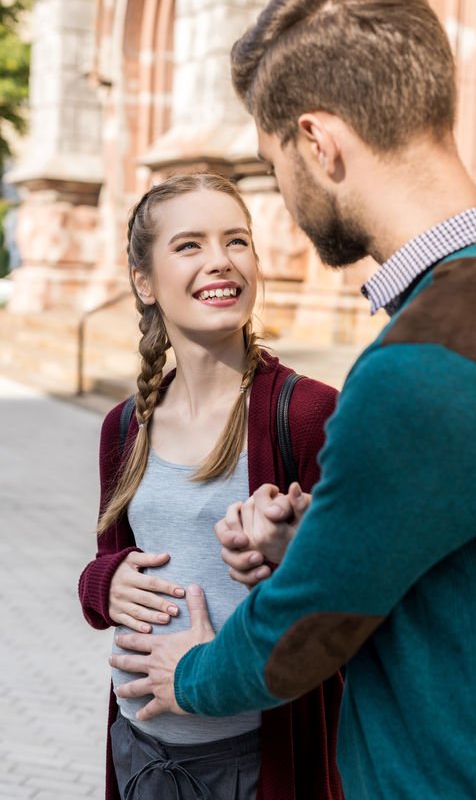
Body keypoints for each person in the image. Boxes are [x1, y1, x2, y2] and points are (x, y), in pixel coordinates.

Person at [109, 0, 476, 799]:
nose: (279, 193)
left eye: (272, 161)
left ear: (317, 143)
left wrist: (190, 676)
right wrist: (319, 536)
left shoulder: (426, 360)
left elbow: (302, 636)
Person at [78, 172, 344, 800]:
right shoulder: (124, 426)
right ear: (144, 281)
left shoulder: (308, 415)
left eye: (237, 241)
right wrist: (101, 584)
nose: (221, 261)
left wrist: (287, 555)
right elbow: (108, 563)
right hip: (143, 754)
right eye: (190, 245)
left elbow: (351, 602)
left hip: (260, 761)